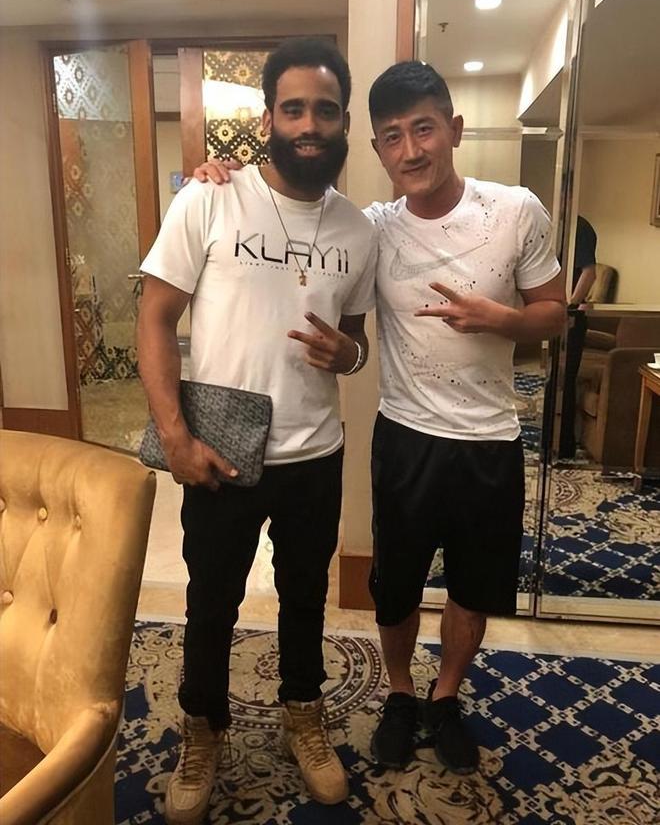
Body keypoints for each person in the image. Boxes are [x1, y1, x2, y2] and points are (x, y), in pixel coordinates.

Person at [194, 61, 565, 778]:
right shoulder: (371, 229)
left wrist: (504, 319)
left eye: (424, 129)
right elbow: (313, 258)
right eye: (392, 136)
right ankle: (399, 693)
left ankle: (446, 696)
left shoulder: (516, 209)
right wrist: (220, 171)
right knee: (394, 586)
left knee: (472, 588)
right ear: (376, 148)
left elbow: (554, 311)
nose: (411, 150)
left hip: (489, 440)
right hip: (405, 437)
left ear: (454, 130)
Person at [137, 37, 377, 824]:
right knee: (211, 602)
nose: (309, 124)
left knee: (305, 598)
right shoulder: (209, 198)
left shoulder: (358, 230)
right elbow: (154, 317)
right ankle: (203, 729)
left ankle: (303, 715)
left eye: (325, 110)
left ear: (343, 122)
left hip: (316, 453)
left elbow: (354, 342)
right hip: (222, 450)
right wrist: (175, 437)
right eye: (293, 108)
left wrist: (349, 356)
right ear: (269, 118)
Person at [558, 215, 597, 459]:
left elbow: (589, 273)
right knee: (555, 380)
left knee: (566, 379)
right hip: (556, 314)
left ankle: (565, 446)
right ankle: (552, 441)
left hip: (571, 317)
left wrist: (570, 306)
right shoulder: (557, 229)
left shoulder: (580, 228)